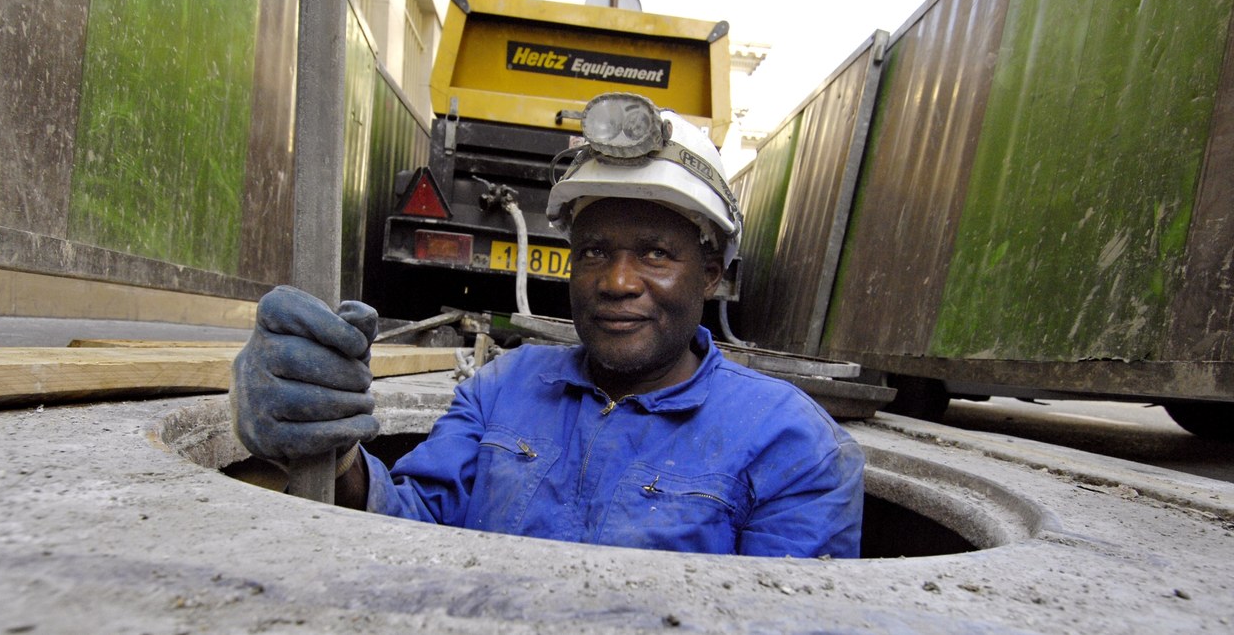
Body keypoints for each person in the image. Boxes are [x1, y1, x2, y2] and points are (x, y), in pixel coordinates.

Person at [231, 93, 865, 558]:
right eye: (593, 252)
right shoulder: (501, 388)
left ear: (711, 272)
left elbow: (792, 611)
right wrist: (331, 449)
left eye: (655, 253)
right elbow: (409, 526)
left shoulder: (794, 445)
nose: (617, 281)